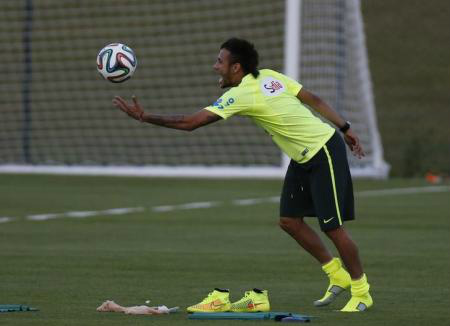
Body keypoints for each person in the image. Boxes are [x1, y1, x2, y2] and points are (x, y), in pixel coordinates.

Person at [112, 37, 373, 312]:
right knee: (289, 221)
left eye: (219, 62)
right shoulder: (268, 76)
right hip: (302, 157)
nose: (215, 67)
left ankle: (361, 290)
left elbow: (191, 123)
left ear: (236, 68)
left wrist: (145, 116)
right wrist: (345, 127)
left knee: (332, 227)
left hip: (324, 150)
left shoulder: (242, 94)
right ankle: (337, 274)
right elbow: (314, 98)